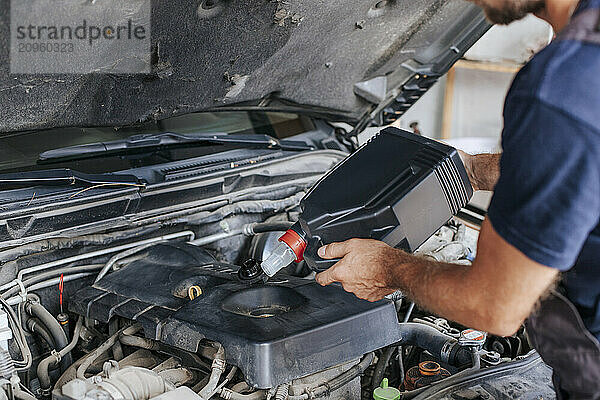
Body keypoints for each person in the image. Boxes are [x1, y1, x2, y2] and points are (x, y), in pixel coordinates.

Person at [314, 0, 600, 397]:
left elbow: (493, 306)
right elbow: (583, 156)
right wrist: (474, 170)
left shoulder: (563, 83)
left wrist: (388, 267)